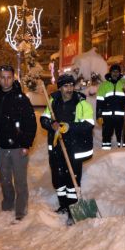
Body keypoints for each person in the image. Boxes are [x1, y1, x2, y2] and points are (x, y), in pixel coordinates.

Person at [40, 74, 94, 224]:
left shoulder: (81, 103)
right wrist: (51, 124)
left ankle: (73, 210)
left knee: (72, 182)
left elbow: (89, 124)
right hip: (57, 148)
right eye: (66, 86)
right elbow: (43, 118)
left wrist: (70, 127)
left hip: (74, 149)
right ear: (60, 87)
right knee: (58, 180)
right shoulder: (53, 101)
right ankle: (63, 205)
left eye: (71, 85)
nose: (69, 89)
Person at [0, 65, 37, 221]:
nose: (6, 81)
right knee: (5, 179)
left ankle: (21, 210)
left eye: (9, 77)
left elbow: (30, 123)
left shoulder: (21, 99)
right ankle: (8, 203)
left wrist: (26, 144)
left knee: (20, 180)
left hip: (18, 148)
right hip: (1, 147)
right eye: (3, 77)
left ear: (13, 78)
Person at [96, 64, 125, 149]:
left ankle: (123, 157)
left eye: (117, 71)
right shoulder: (104, 85)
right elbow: (99, 101)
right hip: (107, 118)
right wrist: (99, 115)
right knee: (106, 139)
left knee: (121, 140)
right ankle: (106, 156)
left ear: (119, 73)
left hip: (121, 117)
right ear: (110, 73)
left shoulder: (124, 84)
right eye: (113, 71)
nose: (115, 73)